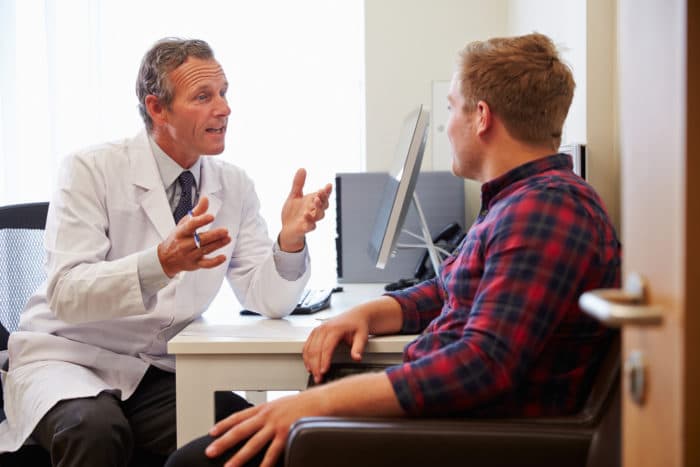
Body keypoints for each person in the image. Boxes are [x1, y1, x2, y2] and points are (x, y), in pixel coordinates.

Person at [166, 32, 621, 467]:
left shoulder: (544, 211)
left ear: (481, 117)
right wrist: (368, 313)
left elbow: (481, 366)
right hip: (453, 426)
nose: (447, 127)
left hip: (471, 439)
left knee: (195, 461)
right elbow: (446, 291)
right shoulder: (518, 202)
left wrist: (307, 407)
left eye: (452, 109)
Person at [0, 37, 332, 466]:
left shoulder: (233, 185)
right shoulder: (89, 170)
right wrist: (160, 264)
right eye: (203, 96)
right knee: (96, 431)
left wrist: (290, 241)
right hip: (67, 359)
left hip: (154, 372)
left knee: (255, 437)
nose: (224, 108)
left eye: (224, 92)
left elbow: (265, 298)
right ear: (157, 108)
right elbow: (66, 292)